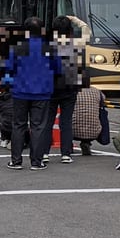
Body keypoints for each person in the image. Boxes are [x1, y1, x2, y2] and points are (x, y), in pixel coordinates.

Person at [4, 17, 61, 171]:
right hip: (42, 92)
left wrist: (8, 86)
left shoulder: (17, 48)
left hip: (20, 91)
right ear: (42, 30)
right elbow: (58, 69)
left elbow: (8, 69)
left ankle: (16, 161)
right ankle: (37, 161)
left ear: (26, 31)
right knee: (38, 126)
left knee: (18, 125)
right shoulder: (49, 48)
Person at [49, 15, 86, 163]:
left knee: (47, 121)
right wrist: (75, 19)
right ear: (70, 30)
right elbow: (86, 29)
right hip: (70, 86)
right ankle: (66, 153)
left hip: (51, 87)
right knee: (66, 121)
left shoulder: (49, 44)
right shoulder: (76, 44)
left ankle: (44, 152)